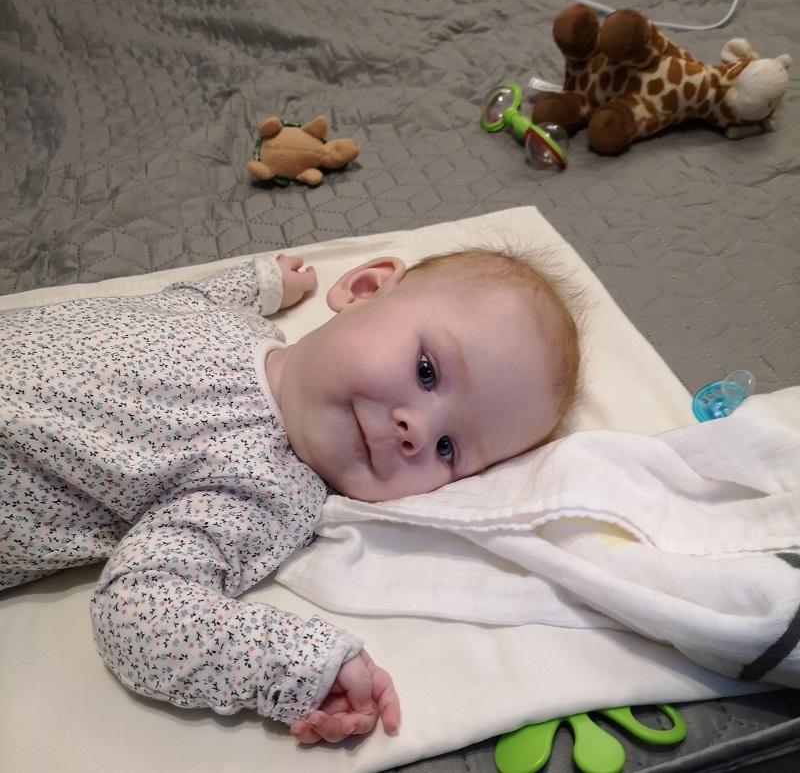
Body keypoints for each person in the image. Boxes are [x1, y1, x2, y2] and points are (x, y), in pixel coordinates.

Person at [0, 246, 580, 745]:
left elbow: (138, 612)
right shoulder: (239, 325)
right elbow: (183, 299)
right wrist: (262, 282)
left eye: (449, 450)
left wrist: (299, 666)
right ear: (365, 288)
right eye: (427, 371)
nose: (418, 431)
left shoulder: (264, 491)